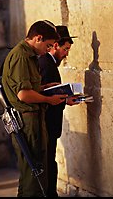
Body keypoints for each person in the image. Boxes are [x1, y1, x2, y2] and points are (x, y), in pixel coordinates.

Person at [2, 20, 68, 197]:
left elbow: (29, 88)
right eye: (48, 45)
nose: (48, 50)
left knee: (37, 174)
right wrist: (49, 99)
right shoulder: (22, 57)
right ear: (38, 38)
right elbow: (23, 95)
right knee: (34, 177)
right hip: (27, 122)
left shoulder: (29, 55)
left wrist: (45, 88)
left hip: (32, 120)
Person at [38, 25, 78, 197]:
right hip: (47, 123)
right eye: (65, 49)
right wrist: (65, 100)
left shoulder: (47, 63)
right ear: (55, 46)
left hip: (49, 124)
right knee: (47, 163)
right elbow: (45, 97)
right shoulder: (47, 64)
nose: (66, 54)